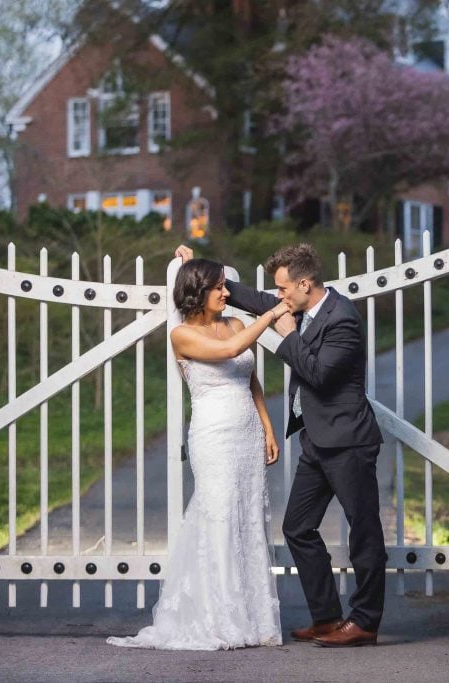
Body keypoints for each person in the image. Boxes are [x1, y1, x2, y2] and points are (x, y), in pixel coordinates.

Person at [175, 243, 386, 648]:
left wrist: (287, 336)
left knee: (364, 530)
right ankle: (326, 618)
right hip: (317, 441)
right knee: (297, 527)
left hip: (348, 441)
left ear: (304, 284)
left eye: (284, 290)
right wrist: (198, 271)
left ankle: (365, 621)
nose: (279, 298)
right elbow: (256, 300)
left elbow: (320, 376)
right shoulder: (302, 305)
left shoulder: (342, 319)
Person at [107, 258, 287, 650]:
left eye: (226, 285)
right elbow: (230, 351)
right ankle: (220, 619)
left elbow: (251, 380)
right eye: (218, 287)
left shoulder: (237, 323)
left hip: (245, 431)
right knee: (219, 516)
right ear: (198, 291)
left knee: (247, 520)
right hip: (214, 434)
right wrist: (272, 311)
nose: (227, 293)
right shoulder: (182, 335)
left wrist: (267, 429)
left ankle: (254, 620)